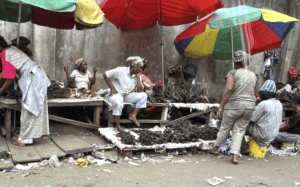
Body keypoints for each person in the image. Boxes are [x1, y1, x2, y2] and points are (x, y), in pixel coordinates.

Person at [209, 50, 259, 165]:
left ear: (236, 63)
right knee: (239, 130)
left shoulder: (232, 73)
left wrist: (221, 106)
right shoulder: (255, 76)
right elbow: (256, 94)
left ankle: (215, 149)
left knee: (225, 127)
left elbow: (228, 89)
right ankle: (235, 156)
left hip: (234, 106)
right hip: (250, 107)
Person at [0, 35, 50, 147]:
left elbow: (10, 77)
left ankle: (24, 140)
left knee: (28, 109)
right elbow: (5, 72)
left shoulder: (5, 54)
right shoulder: (11, 49)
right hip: (37, 75)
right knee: (33, 108)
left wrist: (1, 91)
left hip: (32, 77)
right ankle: (28, 138)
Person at [103, 56, 147, 132]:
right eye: (140, 68)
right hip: (116, 94)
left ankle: (133, 116)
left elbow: (140, 90)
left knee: (144, 95)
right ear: (134, 66)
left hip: (127, 95)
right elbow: (105, 74)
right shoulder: (121, 70)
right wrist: (112, 88)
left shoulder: (137, 75)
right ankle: (117, 125)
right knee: (118, 101)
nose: (141, 70)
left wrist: (137, 76)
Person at [241, 80, 282, 157]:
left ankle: (244, 148)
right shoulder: (279, 104)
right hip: (273, 135)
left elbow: (251, 120)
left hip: (262, 135)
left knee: (237, 127)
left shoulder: (263, 104)